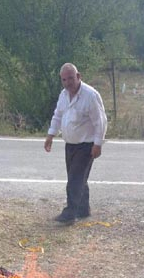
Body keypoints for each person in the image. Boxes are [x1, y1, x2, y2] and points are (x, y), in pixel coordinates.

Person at [44, 63, 107, 223]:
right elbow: (57, 115)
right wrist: (51, 135)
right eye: (64, 80)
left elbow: (100, 121)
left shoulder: (90, 95)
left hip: (86, 144)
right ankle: (83, 209)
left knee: (75, 179)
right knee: (78, 178)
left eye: (71, 78)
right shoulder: (63, 95)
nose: (67, 83)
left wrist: (98, 144)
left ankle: (70, 213)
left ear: (78, 76)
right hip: (70, 144)